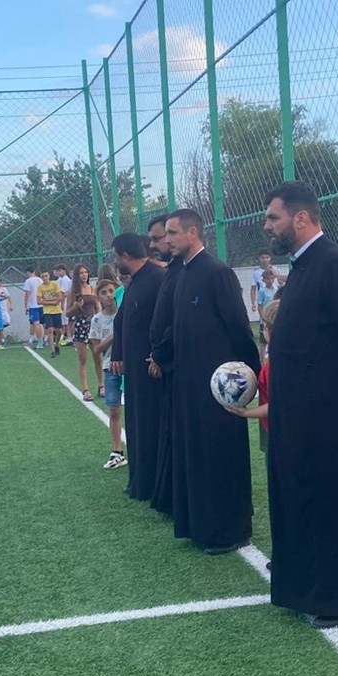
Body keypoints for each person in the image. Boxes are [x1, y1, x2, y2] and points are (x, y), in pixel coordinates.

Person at [260, 182, 338, 627]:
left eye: (273, 217)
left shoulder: (333, 262)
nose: (267, 226)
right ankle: (305, 586)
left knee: (330, 498)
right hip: (295, 409)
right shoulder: (303, 266)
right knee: (299, 493)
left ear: (301, 218)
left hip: (324, 408)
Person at [157, 209, 261, 553]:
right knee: (196, 453)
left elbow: (239, 329)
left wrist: (251, 377)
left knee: (221, 455)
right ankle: (199, 525)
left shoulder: (217, 273)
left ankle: (231, 530)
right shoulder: (182, 275)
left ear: (192, 233)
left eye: (173, 233)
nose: (167, 240)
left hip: (221, 390)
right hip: (188, 384)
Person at [110, 232, 166, 500]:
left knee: (150, 425)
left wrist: (158, 355)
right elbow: (121, 321)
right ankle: (139, 481)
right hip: (133, 370)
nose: (114, 262)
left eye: (115, 256)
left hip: (150, 369)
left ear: (126, 256)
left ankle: (152, 482)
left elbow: (165, 322)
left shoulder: (157, 278)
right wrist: (118, 353)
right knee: (135, 424)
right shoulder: (135, 281)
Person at [148, 215, 184, 518]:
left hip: (179, 365)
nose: (156, 244)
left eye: (159, 237)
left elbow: (178, 322)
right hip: (166, 363)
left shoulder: (188, 273)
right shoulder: (172, 271)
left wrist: (161, 354)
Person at [223, 297, 278, 452]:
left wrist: (246, 412)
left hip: (281, 432)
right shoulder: (278, 358)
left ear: (268, 330)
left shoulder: (277, 366)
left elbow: (277, 405)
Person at [88, 279, 126, 469]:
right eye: (104, 292)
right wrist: (114, 335)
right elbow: (96, 349)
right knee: (114, 409)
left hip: (128, 367)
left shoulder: (124, 313)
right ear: (98, 297)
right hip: (109, 367)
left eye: (111, 291)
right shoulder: (97, 320)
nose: (109, 295)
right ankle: (117, 450)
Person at [67, 264, 98, 400]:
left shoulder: (92, 288)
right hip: (80, 324)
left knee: (97, 356)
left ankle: (101, 386)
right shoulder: (72, 292)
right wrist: (75, 307)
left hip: (93, 324)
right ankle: (85, 389)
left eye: (86, 272)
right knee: (82, 359)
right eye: (81, 273)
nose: (84, 275)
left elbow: (97, 308)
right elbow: (67, 313)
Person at [38, 268, 64, 357]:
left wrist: (47, 300)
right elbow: (39, 301)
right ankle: (52, 351)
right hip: (47, 311)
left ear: (49, 276)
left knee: (59, 330)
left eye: (46, 276)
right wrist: (52, 301)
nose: (44, 278)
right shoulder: (40, 287)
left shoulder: (55, 284)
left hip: (57, 311)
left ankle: (56, 344)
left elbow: (59, 298)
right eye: (42, 276)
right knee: (50, 330)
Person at [254, 267, 279, 342]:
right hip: (266, 316)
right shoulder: (262, 291)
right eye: (268, 279)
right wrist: (263, 317)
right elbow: (260, 305)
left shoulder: (276, 289)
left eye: (272, 278)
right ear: (264, 280)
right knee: (264, 340)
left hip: (274, 315)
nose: (270, 281)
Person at [23, 266, 43, 347]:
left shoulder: (28, 281)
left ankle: (40, 342)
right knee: (33, 323)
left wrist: (26, 305)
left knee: (36, 324)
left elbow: (27, 294)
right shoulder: (40, 280)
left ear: (28, 272)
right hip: (41, 304)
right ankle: (31, 340)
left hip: (33, 306)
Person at [56, 265, 73, 345]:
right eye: (58, 271)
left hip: (66, 302)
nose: (58, 273)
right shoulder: (61, 280)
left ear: (64, 271)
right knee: (64, 322)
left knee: (67, 321)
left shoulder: (65, 280)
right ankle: (65, 337)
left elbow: (64, 293)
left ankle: (69, 338)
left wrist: (62, 304)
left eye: (60, 271)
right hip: (64, 301)